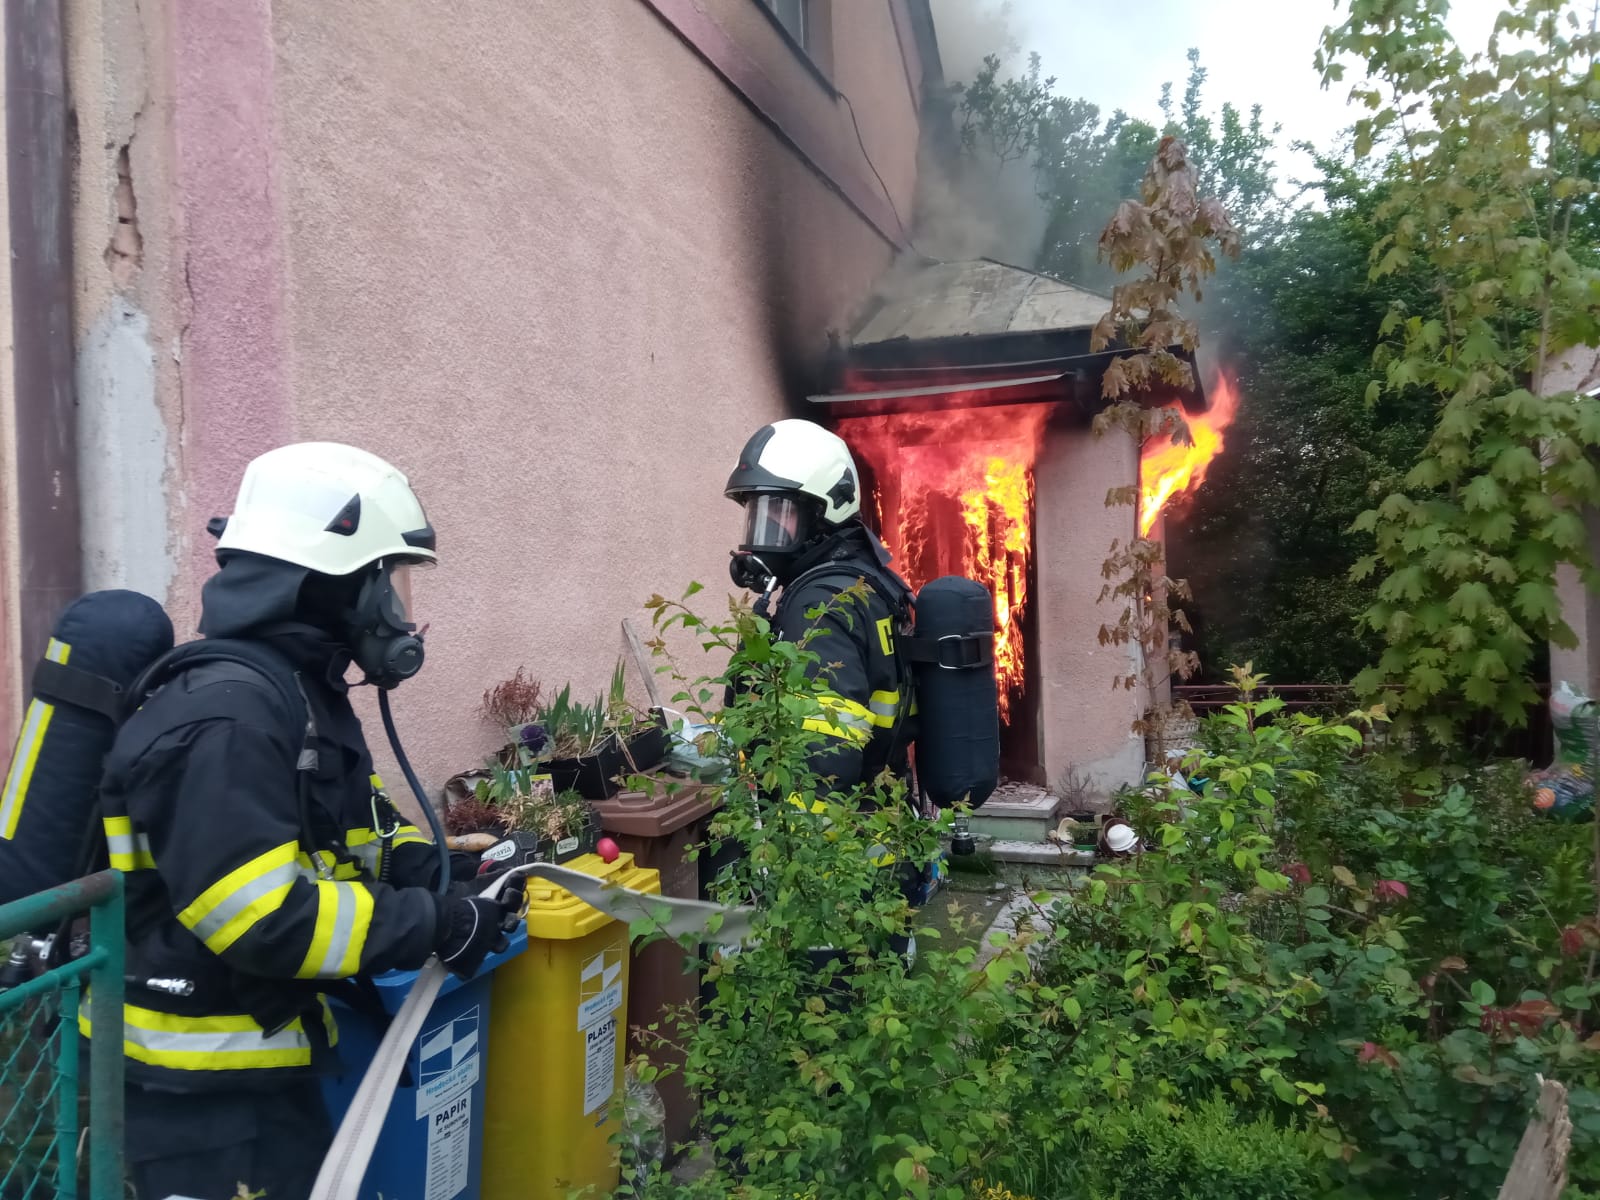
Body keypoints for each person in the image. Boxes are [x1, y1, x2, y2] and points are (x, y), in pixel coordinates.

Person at [91, 443, 520, 1200]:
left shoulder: (295, 696)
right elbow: (260, 916)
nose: (401, 612)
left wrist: (451, 873)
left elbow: (355, 836)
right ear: (333, 585)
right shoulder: (229, 719)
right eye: (388, 581)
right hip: (191, 1096)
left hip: (253, 1066)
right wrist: (432, 923)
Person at [713, 418, 926, 946]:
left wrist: (801, 875)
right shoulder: (865, 580)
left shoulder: (818, 605)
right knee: (883, 966)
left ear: (825, 510)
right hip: (883, 831)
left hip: (838, 868)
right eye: (756, 514)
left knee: (830, 982)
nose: (763, 535)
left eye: (779, 513)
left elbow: (822, 759)